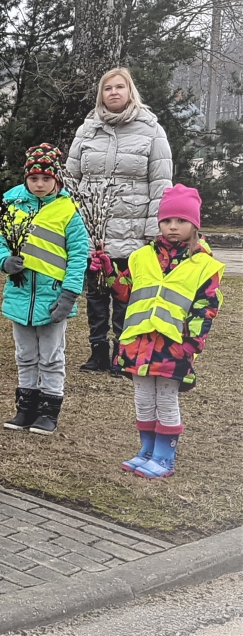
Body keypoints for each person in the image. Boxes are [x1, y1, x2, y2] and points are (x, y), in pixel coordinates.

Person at [104, 185, 223, 478]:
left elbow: (206, 308)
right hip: (138, 342)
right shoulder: (141, 256)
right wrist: (108, 272)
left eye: (181, 221)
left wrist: (191, 344)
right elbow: (125, 291)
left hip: (173, 345)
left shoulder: (204, 265)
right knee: (144, 398)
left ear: (194, 224)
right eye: (167, 220)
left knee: (167, 400)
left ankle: (164, 457)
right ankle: (146, 450)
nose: (173, 226)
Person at [66, 67, 173, 374]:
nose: (113, 92)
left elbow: (161, 183)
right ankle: (98, 351)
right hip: (94, 229)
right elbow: (71, 179)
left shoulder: (151, 130)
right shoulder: (87, 130)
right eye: (108, 88)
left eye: (119, 87)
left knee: (126, 296)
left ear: (130, 92)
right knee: (96, 296)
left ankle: (122, 354)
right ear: (101, 94)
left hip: (132, 229)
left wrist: (153, 230)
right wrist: (71, 222)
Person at [0, 145, 89, 435]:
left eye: (46, 179)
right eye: (33, 178)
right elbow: (0, 241)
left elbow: (78, 255)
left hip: (53, 297)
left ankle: (49, 410)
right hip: (20, 296)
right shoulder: (13, 206)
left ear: (56, 180)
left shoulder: (68, 211)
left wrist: (69, 294)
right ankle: (25, 408)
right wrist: (5, 261)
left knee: (51, 357)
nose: (39, 184)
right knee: (24, 355)